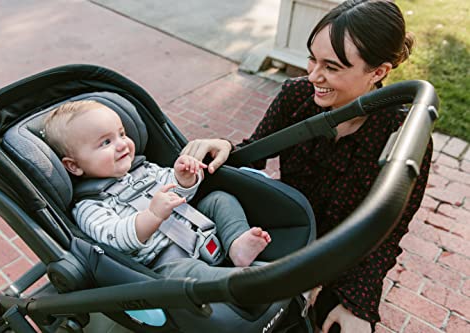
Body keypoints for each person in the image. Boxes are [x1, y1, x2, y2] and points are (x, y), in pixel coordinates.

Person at [181, 0, 432, 332]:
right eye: (312, 59)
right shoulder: (296, 96)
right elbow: (254, 153)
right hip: (284, 238)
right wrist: (224, 148)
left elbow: (388, 230)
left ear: (379, 72)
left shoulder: (401, 138)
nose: (313, 75)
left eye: (331, 67)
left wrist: (357, 302)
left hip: (346, 261)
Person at [43, 100, 271, 281]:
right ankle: (241, 281)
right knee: (184, 275)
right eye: (105, 143)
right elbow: (113, 238)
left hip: (198, 227)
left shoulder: (144, 169)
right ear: (73, 165)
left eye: (121, 134)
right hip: (166, 261)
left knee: (220, 199)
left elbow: (180, 196)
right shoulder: (89, 205)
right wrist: (151, 217)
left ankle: (236, 243)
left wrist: (183, 180)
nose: (122, 144)